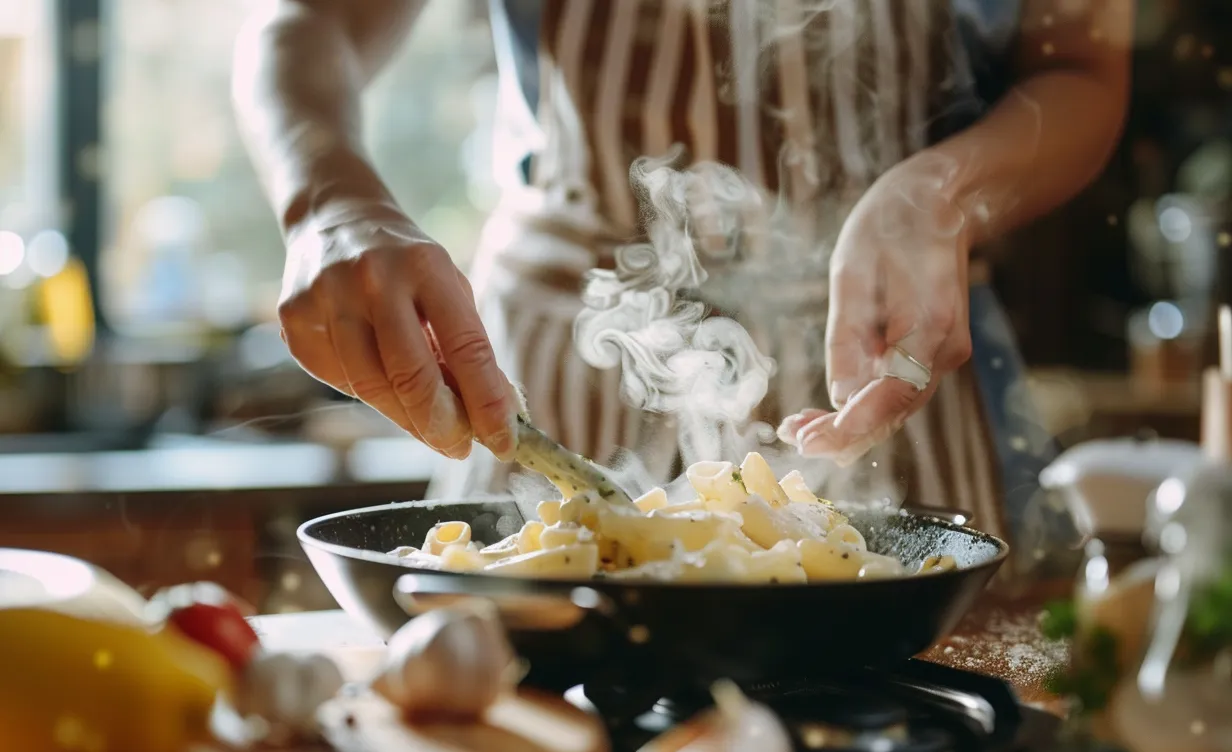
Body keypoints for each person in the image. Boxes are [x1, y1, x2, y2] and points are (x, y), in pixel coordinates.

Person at [233, 0, 1132, 549]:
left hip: (895, 363)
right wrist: (330, 202)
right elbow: (305, 18)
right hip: (559, 365)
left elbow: (1082, 69)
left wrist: (941, 195)